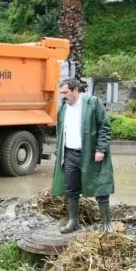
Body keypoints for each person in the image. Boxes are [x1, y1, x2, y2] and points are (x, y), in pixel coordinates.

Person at [51, 78, 115, 233]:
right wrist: (58, 151)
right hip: (69, 154)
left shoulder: (92, 103)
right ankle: (73, 222)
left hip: (91, 154)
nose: (63, 96)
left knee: (100, 186)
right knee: (71, 189)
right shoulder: (63, 107)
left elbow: (105, 126)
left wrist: (101, 149)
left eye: (65, 92)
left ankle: (106, 223)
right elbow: (60, 132)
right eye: (61, 93)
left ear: (75, 90)